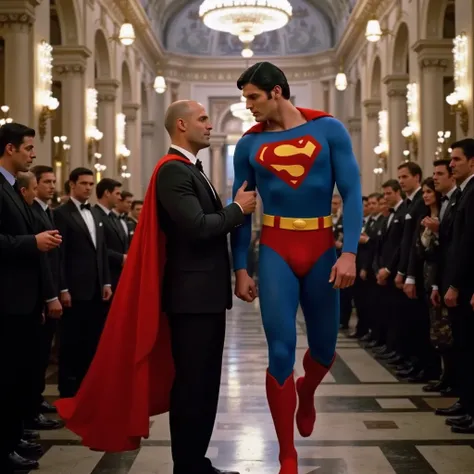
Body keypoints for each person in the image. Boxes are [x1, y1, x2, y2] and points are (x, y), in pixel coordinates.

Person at [55, 100, 257, 474]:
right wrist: (237, 209)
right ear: (181, 125)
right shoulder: (173, 172)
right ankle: (188, 465)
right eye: (203, 119)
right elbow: (196, 227)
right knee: (193, 386)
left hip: (204, 296)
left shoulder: (191, 171)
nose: (210, 125)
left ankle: (195, 459)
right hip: (191, 299)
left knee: (203, 384)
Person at [230, 62, 362, 474]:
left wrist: (350, 253)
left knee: (324, 349)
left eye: (253, 97)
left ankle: (306, 394)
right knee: (281, 348)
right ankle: (287, 452)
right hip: (275, 249)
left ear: (277, 92)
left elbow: (353, 191)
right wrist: (239, 268)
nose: (247, 106)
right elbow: (242, 210)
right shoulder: (247, 146)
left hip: (322, 248)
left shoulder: (329, 130)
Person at [0, 123, 62, 472]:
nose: (33, 154)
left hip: (23, 301)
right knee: (7, 376)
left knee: (17, 375)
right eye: (28, 148)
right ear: (10, 149)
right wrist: (32, 242)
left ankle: (11, 438)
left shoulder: (13, 189)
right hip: (7, 301)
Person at [54, 167, 112, 398]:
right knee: (70, 343)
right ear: (72, 185)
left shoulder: (96, 214)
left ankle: (88, 387)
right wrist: (63, 288)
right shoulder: (61, 213)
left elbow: (102, 251)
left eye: (91, 184)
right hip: (74, 290)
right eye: (84, 183)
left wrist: (106, 282)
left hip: (96, 289)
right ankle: (68, 390)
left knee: (92, 341)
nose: (88, 187)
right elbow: (59, 254)